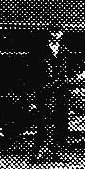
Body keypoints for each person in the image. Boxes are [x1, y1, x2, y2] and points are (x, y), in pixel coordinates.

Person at [31, 23, 74, 162]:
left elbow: (68, 69)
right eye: (54, 32)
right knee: (44, 121)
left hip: (61, 91)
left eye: (59, 32)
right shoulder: (40, 50)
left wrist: (66, 81)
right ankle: (38, 151)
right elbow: (34, 72)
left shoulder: (65, 50)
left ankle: (56, 151)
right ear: (49, 33)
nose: (56, 35)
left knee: (60, 121)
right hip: (46, 91)